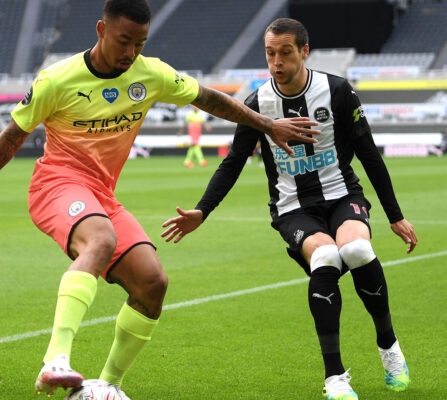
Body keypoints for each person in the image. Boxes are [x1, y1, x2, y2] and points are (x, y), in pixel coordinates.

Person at [0, 2, 318, 398]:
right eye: (124, 41)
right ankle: (55, 360)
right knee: (101, 239)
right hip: (56, 185)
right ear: (101, 30)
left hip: (101, 194)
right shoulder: (57, 80)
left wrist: (267, 124)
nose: (131, 53)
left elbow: (209, 99)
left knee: (152, 283)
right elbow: (12, 137)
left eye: (140, 44)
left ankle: (106, 386)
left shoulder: (151, 74)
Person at [161, 18, 417, 400]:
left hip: (341, 194)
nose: (276, 62)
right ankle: (335, 377)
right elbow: (233, 162)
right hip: (293, 207)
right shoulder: (257, 104)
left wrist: (395, 215)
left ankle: (388, 346)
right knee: (327, 257)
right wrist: (203, 210)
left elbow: (369, 154)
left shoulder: (337, 91)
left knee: (357, 249)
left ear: (304, 51)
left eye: (285, 52)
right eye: (270, 53)